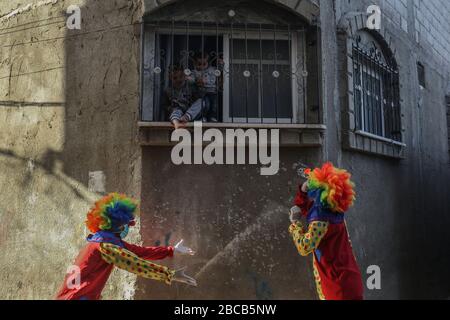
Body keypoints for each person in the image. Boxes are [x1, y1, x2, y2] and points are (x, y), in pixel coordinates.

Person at [56, 193, 197, 300]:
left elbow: (140, 252)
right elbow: (134, 264)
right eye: (125, 225)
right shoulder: (105, 246)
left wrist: (171, 250)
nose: (127, 228)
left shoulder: (104, 241)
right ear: (115, 225)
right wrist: (169, 274)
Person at [288, 162, 364, 300]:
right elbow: (310, 210)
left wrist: (295, 225)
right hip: (351, 280)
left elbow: (304, 247)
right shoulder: (336, 211)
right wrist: (303, 192)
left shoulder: (320, 221)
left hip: (336, 286)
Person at [163, 64, 206, 129]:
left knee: (201, 102)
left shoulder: (189, 86)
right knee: (176, 110)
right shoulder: (168, 90)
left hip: (191, 111)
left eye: (181, 77)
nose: (178, 80)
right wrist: (170, 108)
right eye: (174, 78)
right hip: (179, 111)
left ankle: (186, 117)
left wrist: (200, 86)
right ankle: (176, 122)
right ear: (170, 78)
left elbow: (199, 96)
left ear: (185, 76)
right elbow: (165, 104)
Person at [190, 52, 219, 122]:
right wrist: (195, 80)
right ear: (195, 64)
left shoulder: (212, 69)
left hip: (212, 91)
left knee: (214, 105)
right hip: (202, 92)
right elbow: (191, 79)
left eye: (204, 64)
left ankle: (212, 116)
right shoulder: (194, 72)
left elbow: (218, 74)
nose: (202, 66)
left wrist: (221, 64)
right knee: (206, 104)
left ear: (208, 63)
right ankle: (203, 116)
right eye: (199, 64)